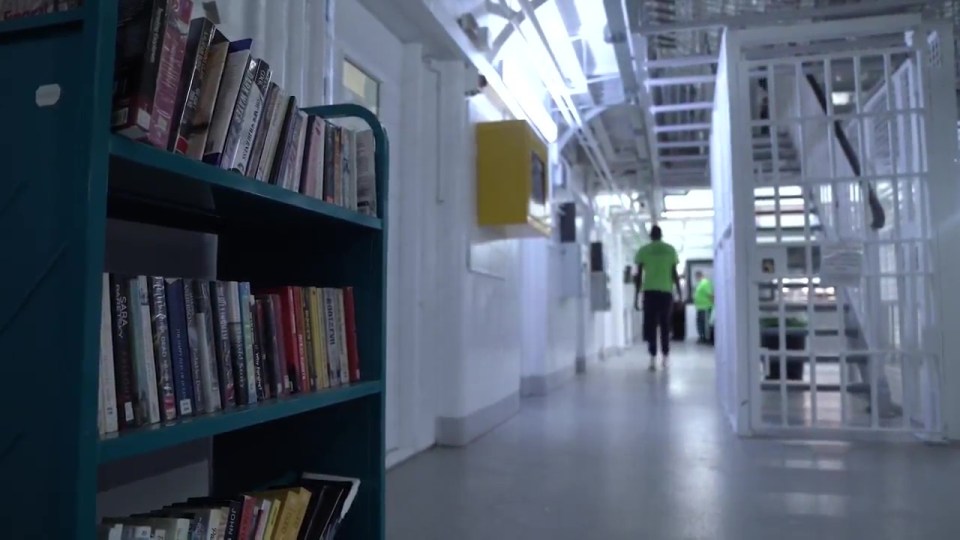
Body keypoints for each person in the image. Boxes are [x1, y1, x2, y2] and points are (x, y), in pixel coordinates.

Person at [633, 225, 682, 371]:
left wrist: (636, 297)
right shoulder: (670, 250)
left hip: (649, 292)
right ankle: (665, 358)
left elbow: (638, 276)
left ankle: (653, 358)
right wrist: (680, 293)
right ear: (661, 235)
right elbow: (674, 274)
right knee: (665, 325)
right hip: (666, 292)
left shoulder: (643, 250)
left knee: (650, 325)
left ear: (650, 236)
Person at [693, 271, 714, 344]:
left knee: (705, 324)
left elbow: (710, 295)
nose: (696, 278)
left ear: (699, 276)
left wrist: (714, 304)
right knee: (700, 324)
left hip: (705, 308)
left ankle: (706, 339)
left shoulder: (705, 283)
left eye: (696, 277)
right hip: (700, 308)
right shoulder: (700, 284)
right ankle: (702, 337)